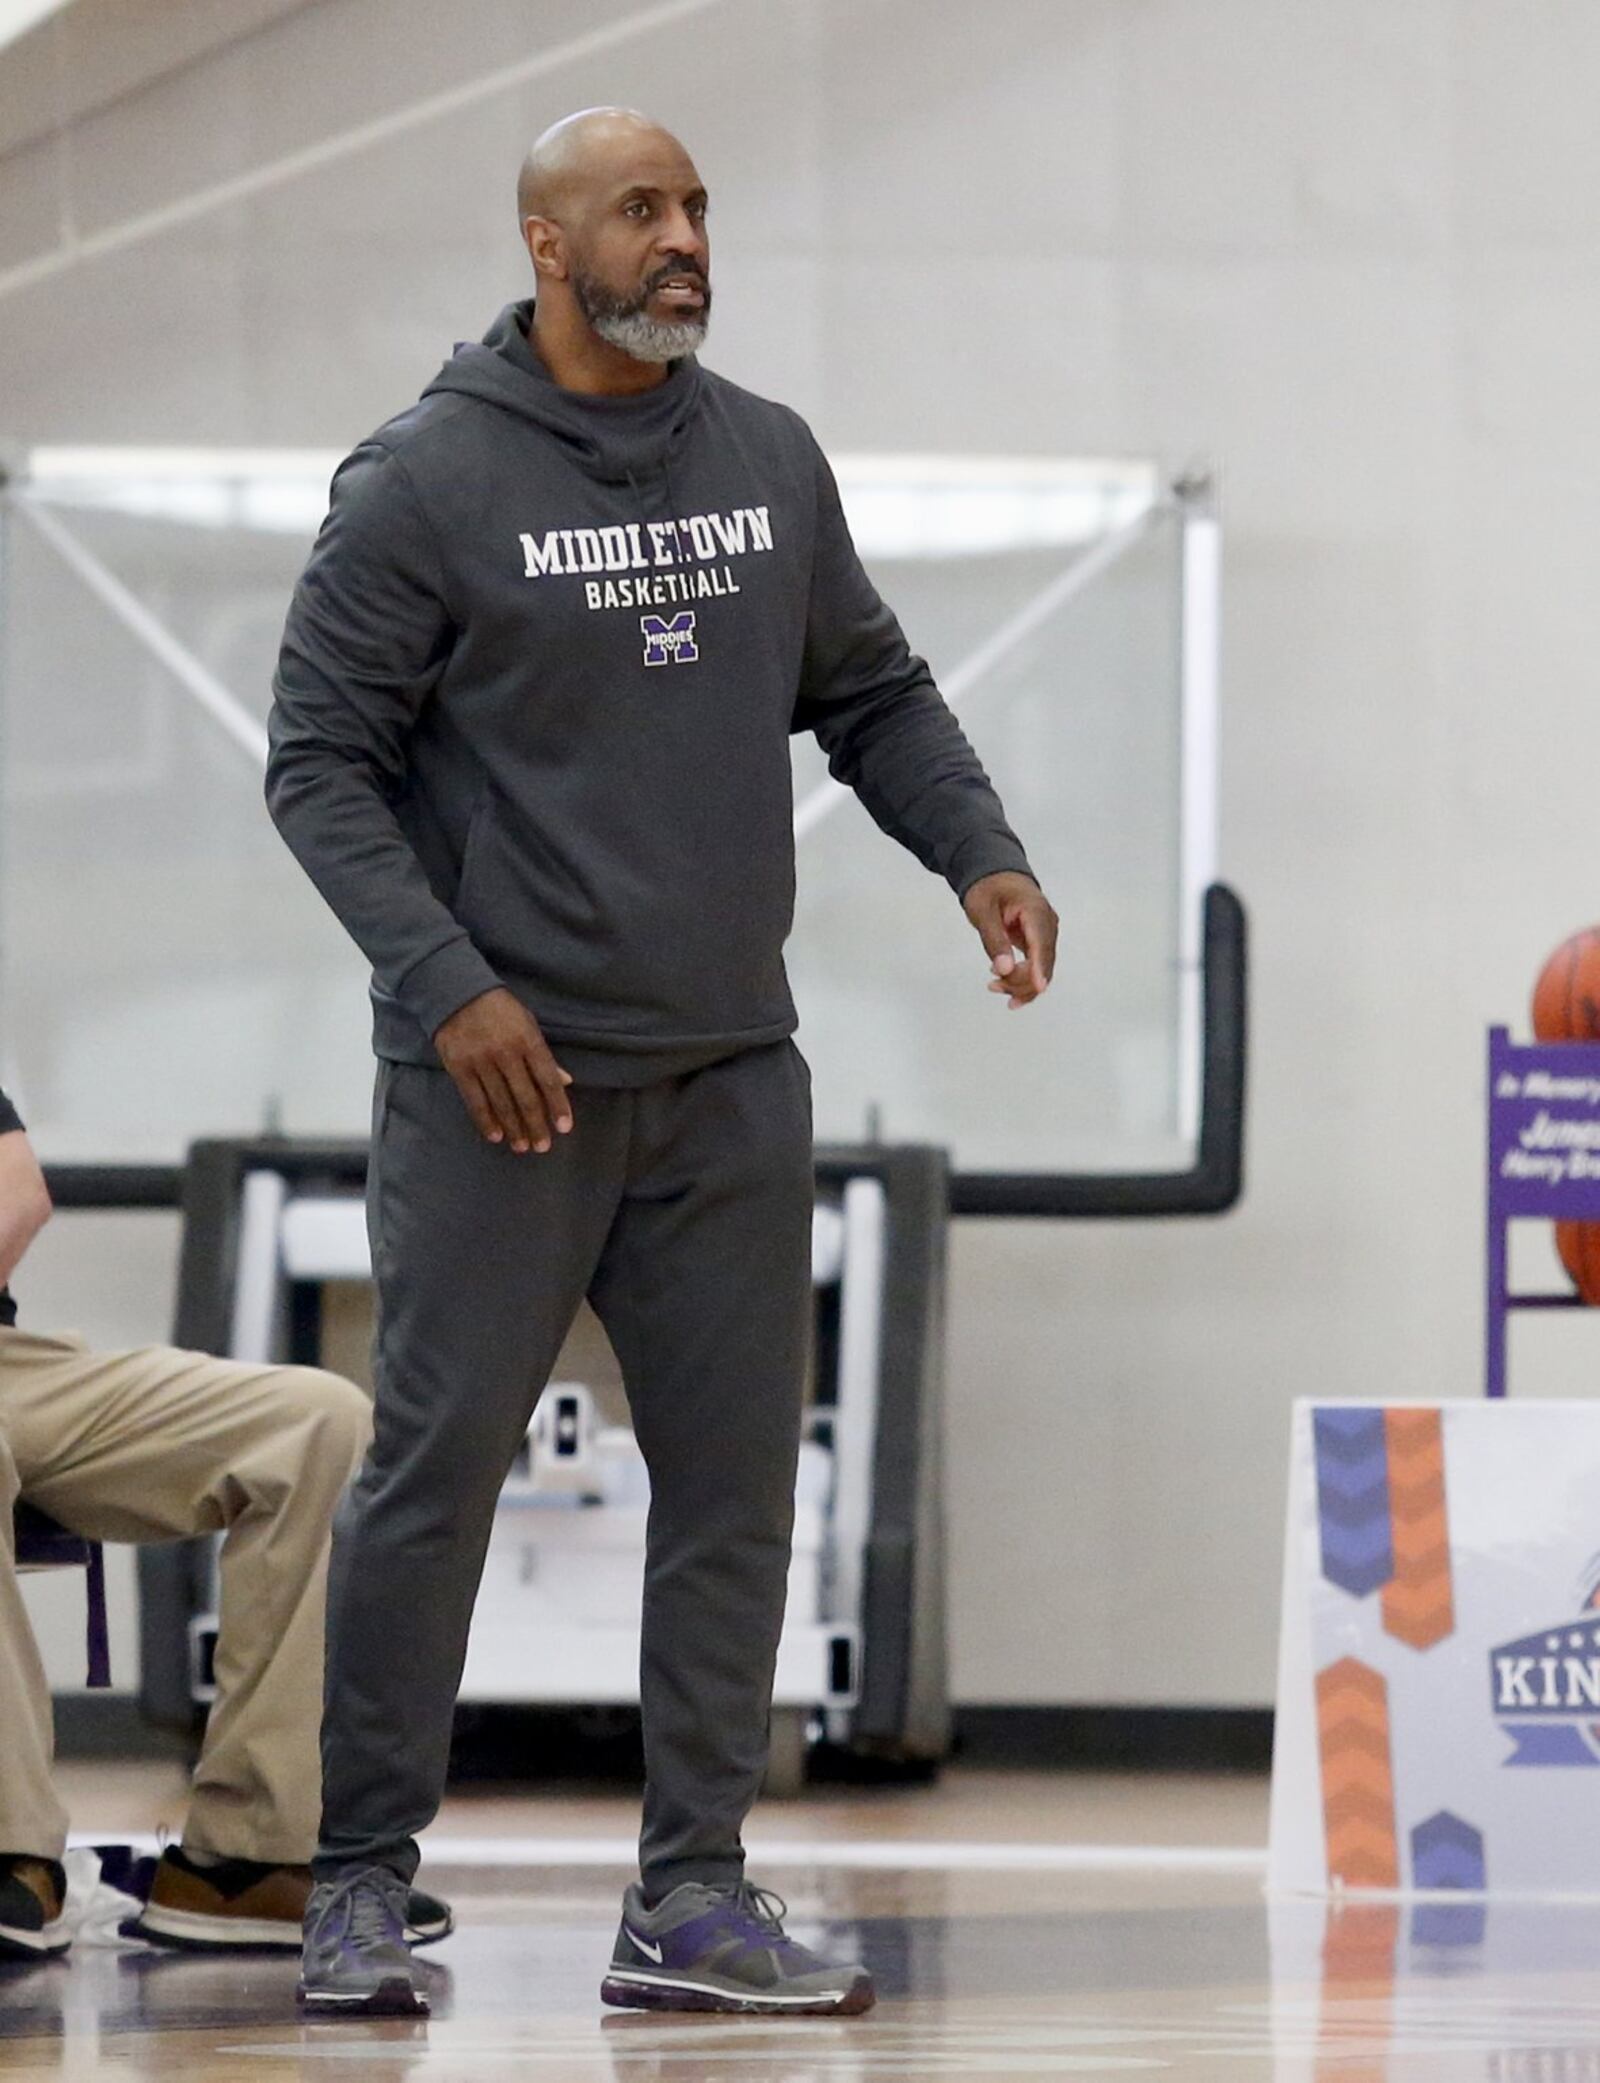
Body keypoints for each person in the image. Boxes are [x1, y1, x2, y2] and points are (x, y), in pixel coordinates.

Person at [268, 106, 1058, 2020]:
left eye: (697, 204)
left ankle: (691, 1891)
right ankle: (360, 1878)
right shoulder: (425, 481)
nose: (685, 236)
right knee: (429, 1480)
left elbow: (870, 688)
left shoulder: (768, 460)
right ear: (549, 245)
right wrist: (451, 984)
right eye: (644, 209)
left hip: (727, 1074)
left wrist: (984, 848)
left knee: (731, 1493)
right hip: (502, 1087)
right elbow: (317, 768)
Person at [0, 1087, 452, 1960]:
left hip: (20, 1370)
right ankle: (11, 1849)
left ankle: (242, 1858)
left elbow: (16, 1191)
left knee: (317, 1421)